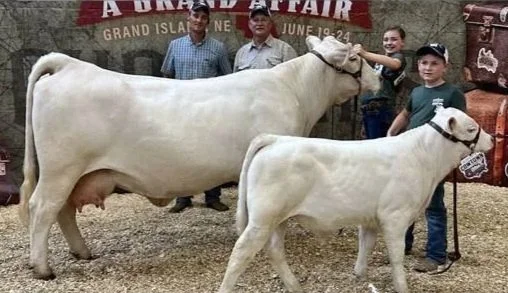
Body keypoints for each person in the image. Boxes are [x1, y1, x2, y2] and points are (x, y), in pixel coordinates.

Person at [387, 43, 467, 272]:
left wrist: (455, 155)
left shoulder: (452, 93)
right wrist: (391, 133)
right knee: (405, 202)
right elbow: (406, 114)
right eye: (423, 63)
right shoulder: (417, 92)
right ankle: (403, 246)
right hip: (409, 155)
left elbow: (461, 126)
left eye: (434, 63)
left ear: (445, 67)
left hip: (434, 160)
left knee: (433, 205)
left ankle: (436, 255)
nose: (428, 67)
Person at [160, 0, 232, 213]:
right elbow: (166, 76)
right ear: (188, 17)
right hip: (180, 109)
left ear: (208, 21)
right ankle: (183, 197)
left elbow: (227, 79)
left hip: (209, 109)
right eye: (195, 15)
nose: (199, 20)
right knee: (179, 150)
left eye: (203, 17)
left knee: (213, 152)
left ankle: (213, 196)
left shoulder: (218, 48)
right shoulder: (175, 45)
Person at [353, 26, 407, 139]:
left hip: (381, 109)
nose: (389, 43)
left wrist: (365, 53)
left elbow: (395, 64)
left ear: (402, 42)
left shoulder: (398, 57)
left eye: (394, 39)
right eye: (386, 39)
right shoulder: (380, 62)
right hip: (369, 111)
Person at [233, 3, 297, 72]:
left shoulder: (285, 50)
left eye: (263, 20)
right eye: (255, 20)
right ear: (249, 24)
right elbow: (235, 80)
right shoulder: (242, 53)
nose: (259, 24)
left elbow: (293, 80)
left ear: (270, 24)